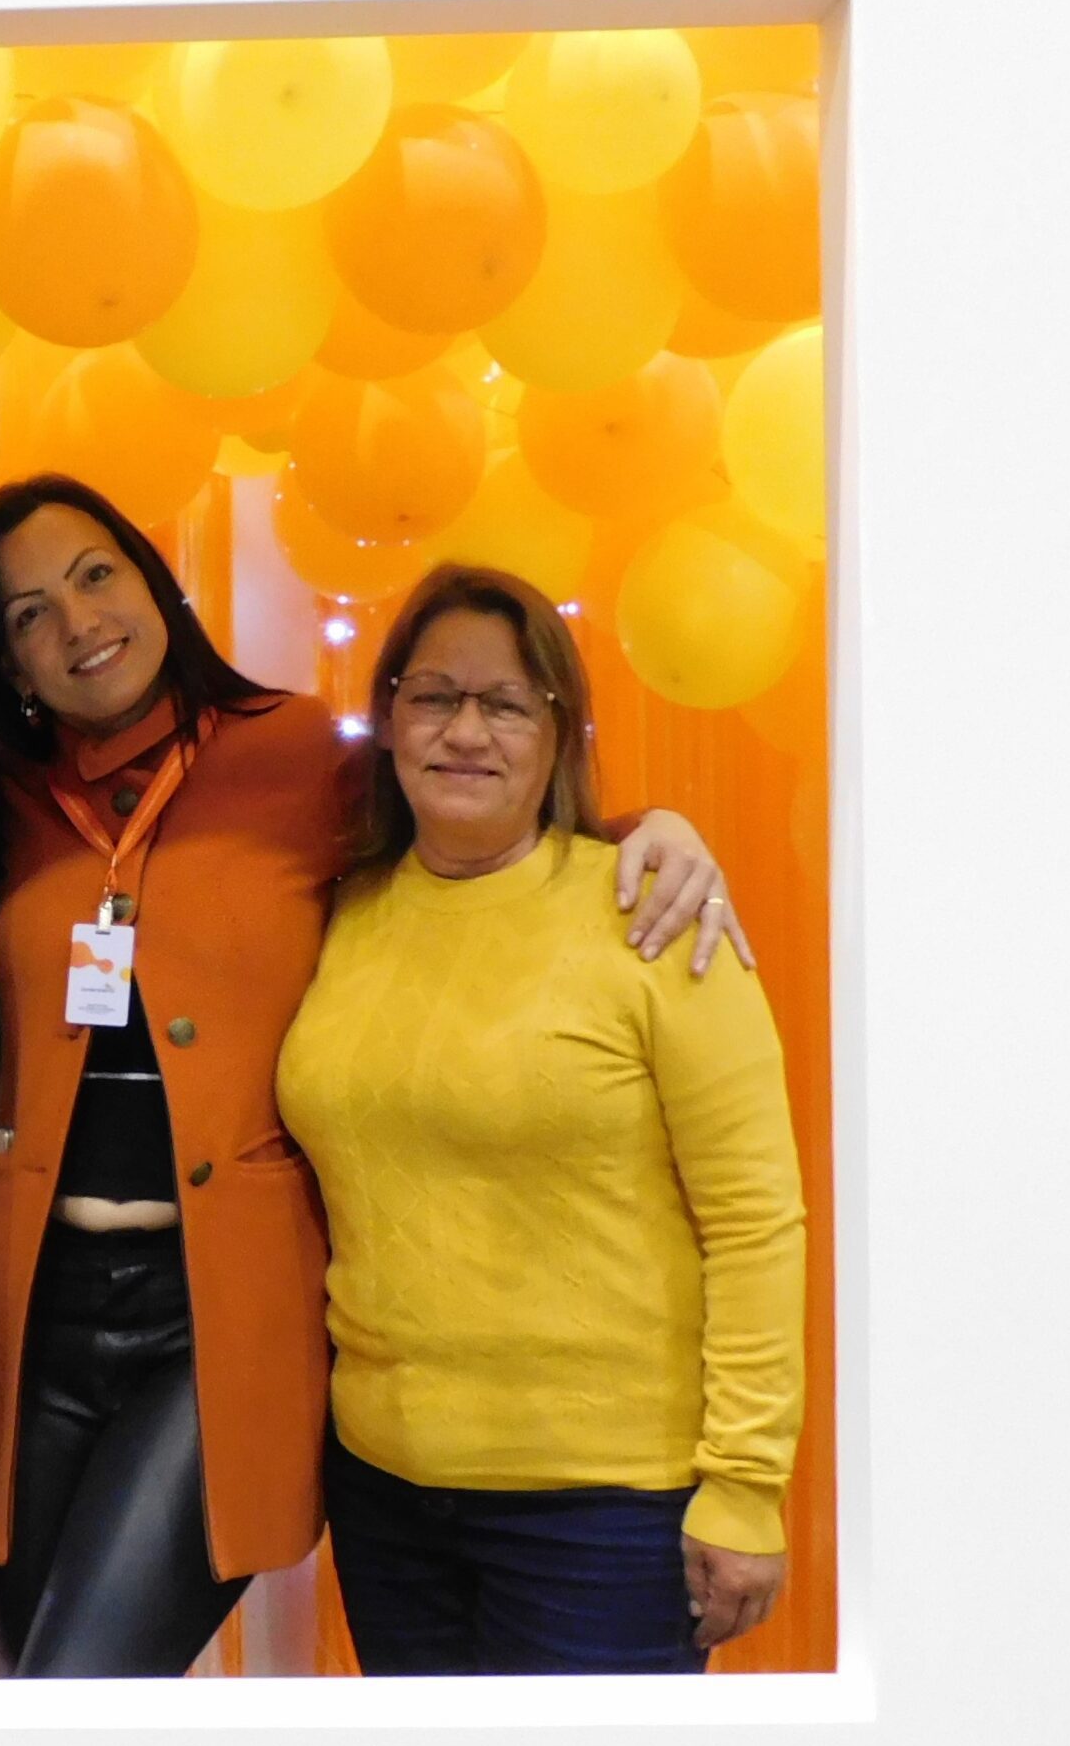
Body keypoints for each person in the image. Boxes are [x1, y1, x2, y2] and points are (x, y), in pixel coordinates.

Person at [0, 481, 748, 1678]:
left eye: (95, 573)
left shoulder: (293, 754)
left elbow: (472, 818)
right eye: (26, 613)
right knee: (36, 1700)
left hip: (208, 1319)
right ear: (7, 661)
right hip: (18, 1326)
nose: (76, 621)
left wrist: (648, 827)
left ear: (153, 581)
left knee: (75, 1695)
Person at [276, 564, 807, 1675]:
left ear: (559, 731)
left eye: (507, 704)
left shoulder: (655, 913)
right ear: (388, 720)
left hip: (606, 1511)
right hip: (384, 1495)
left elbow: (755, 1222)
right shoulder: (339, 913)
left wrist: (746, 1486)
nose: (465, 731)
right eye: (434, 697)